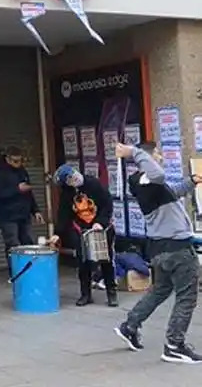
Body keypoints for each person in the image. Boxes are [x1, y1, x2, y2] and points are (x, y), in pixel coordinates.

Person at [114, 141, 202, 364]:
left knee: (160, 290)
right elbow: (160, 175)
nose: (161, 157)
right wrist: (133, 152)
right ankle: (174, 345)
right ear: (148, 157)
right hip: (177, 249)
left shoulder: (145, 184)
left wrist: (191, 182)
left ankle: (130, 325)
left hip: (159, 248)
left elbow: (171, 191)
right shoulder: (150, 179)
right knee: (187, 296)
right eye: (157, 154)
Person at [51, 164, 118, 307]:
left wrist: (100, 222)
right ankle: (85, 294)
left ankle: (112, 293)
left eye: (73, 174)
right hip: (81, 229)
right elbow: (63, 215)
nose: (74, 178)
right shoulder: (67, 193)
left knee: (106, 259)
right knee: (82, 261)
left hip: (102, 228)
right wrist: (57, 234)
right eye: (70, 178)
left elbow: (107, 204)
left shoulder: (93, 183)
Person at [0, 147, 44, 275]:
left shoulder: (22, 171)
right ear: (7, 159)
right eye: (15, 161)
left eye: (20, 161)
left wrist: (35, 210)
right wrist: (17, 189)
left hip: (23, 214)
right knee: (13, 244)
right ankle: (15, 272)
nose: (18, 164)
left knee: (28, 242)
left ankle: (29, 270)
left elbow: (29, 192)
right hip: (7, 215)